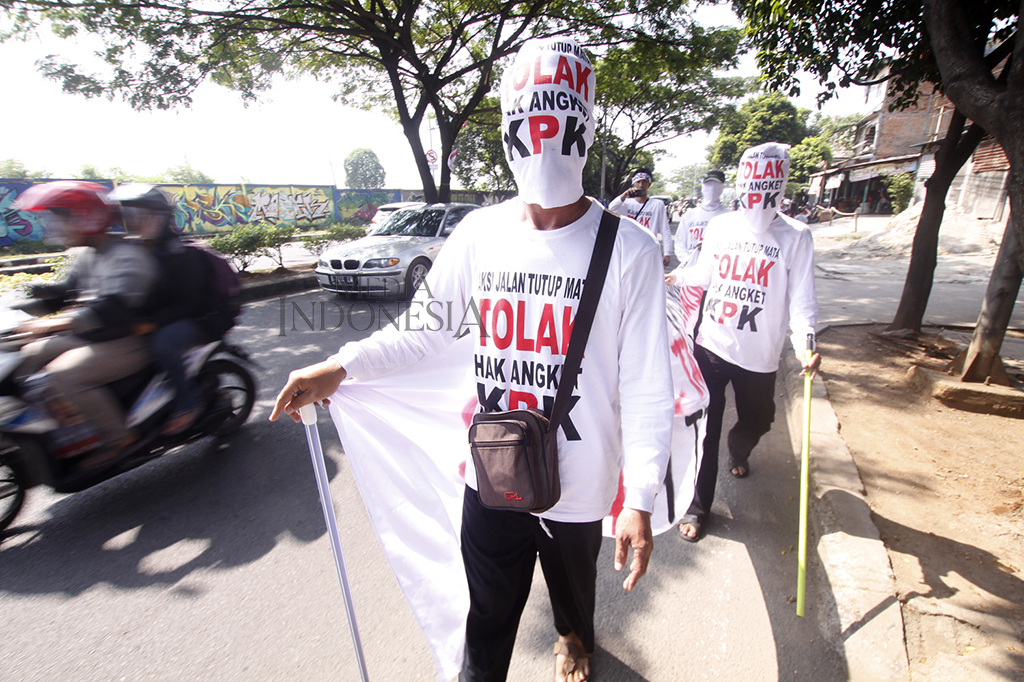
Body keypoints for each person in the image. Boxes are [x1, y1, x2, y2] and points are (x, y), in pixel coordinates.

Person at [271, 37, 673, 682]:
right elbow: (423, 332)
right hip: (493, 464)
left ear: (584, 130)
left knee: (573, 591)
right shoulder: (479, 234)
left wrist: (640, 498)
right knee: (487, 613)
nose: (542, 139)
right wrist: (340, 367)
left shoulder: (631, 250)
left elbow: (650, 385)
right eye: (528, 124)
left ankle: (573, 637)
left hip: (581, 480)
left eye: (558, 123)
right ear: (510, 130)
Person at [665, 142, 820, 542]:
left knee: (759, 420)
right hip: (712, 346)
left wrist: (806, 341)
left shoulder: (796, 236)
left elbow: (802, 298)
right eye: (751, 189)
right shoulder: (722, 227)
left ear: (779, 189)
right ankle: (698, 507)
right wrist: (677, 277)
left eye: (766, 192)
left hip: (761, 357)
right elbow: (705, 273)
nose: (756, 201)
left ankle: (741, 447)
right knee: (705, 429)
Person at [11, 181, 158, 468]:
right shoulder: (85, 254)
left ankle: (119, 438)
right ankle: (59, 423)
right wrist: (24, 295)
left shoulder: (127, 256)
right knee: (29, 353)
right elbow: (64, 292)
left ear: (87, 217)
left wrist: (54, 324)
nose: (58, 227)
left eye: (63, 219)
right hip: (94, 335)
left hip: (126, 340)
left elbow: (114, 309)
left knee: (64, 374)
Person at [111, 184, 218, 435]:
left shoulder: (181, 253)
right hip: (157, 319)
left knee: (163, 344)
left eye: (142, 216)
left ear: (161, 217)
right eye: (130, 217)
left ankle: (187, 402)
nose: (136, 223)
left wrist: (152, 323)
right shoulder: (135, 251)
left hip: (197, 320)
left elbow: (191, 303)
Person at [608, 171, 673, 267]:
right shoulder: (625, 203)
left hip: (648, 249)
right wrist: (623, 196)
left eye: (644, 182)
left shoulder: (657, 204)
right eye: (638, 182)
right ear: (633, 184)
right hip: (628, 250)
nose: (641, 185)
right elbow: (611, 208)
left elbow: (665, 229)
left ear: (649, 185)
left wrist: (667, 253)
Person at [674, 169, 729, 270]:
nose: (712, 189)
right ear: (703, 186)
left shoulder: (730, 216)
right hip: (690, 271)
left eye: (716, 185)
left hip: (716, 271)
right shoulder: (690, 215)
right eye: (708, 184)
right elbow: (679, 242)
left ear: (722, 187)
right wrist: (688, 261)